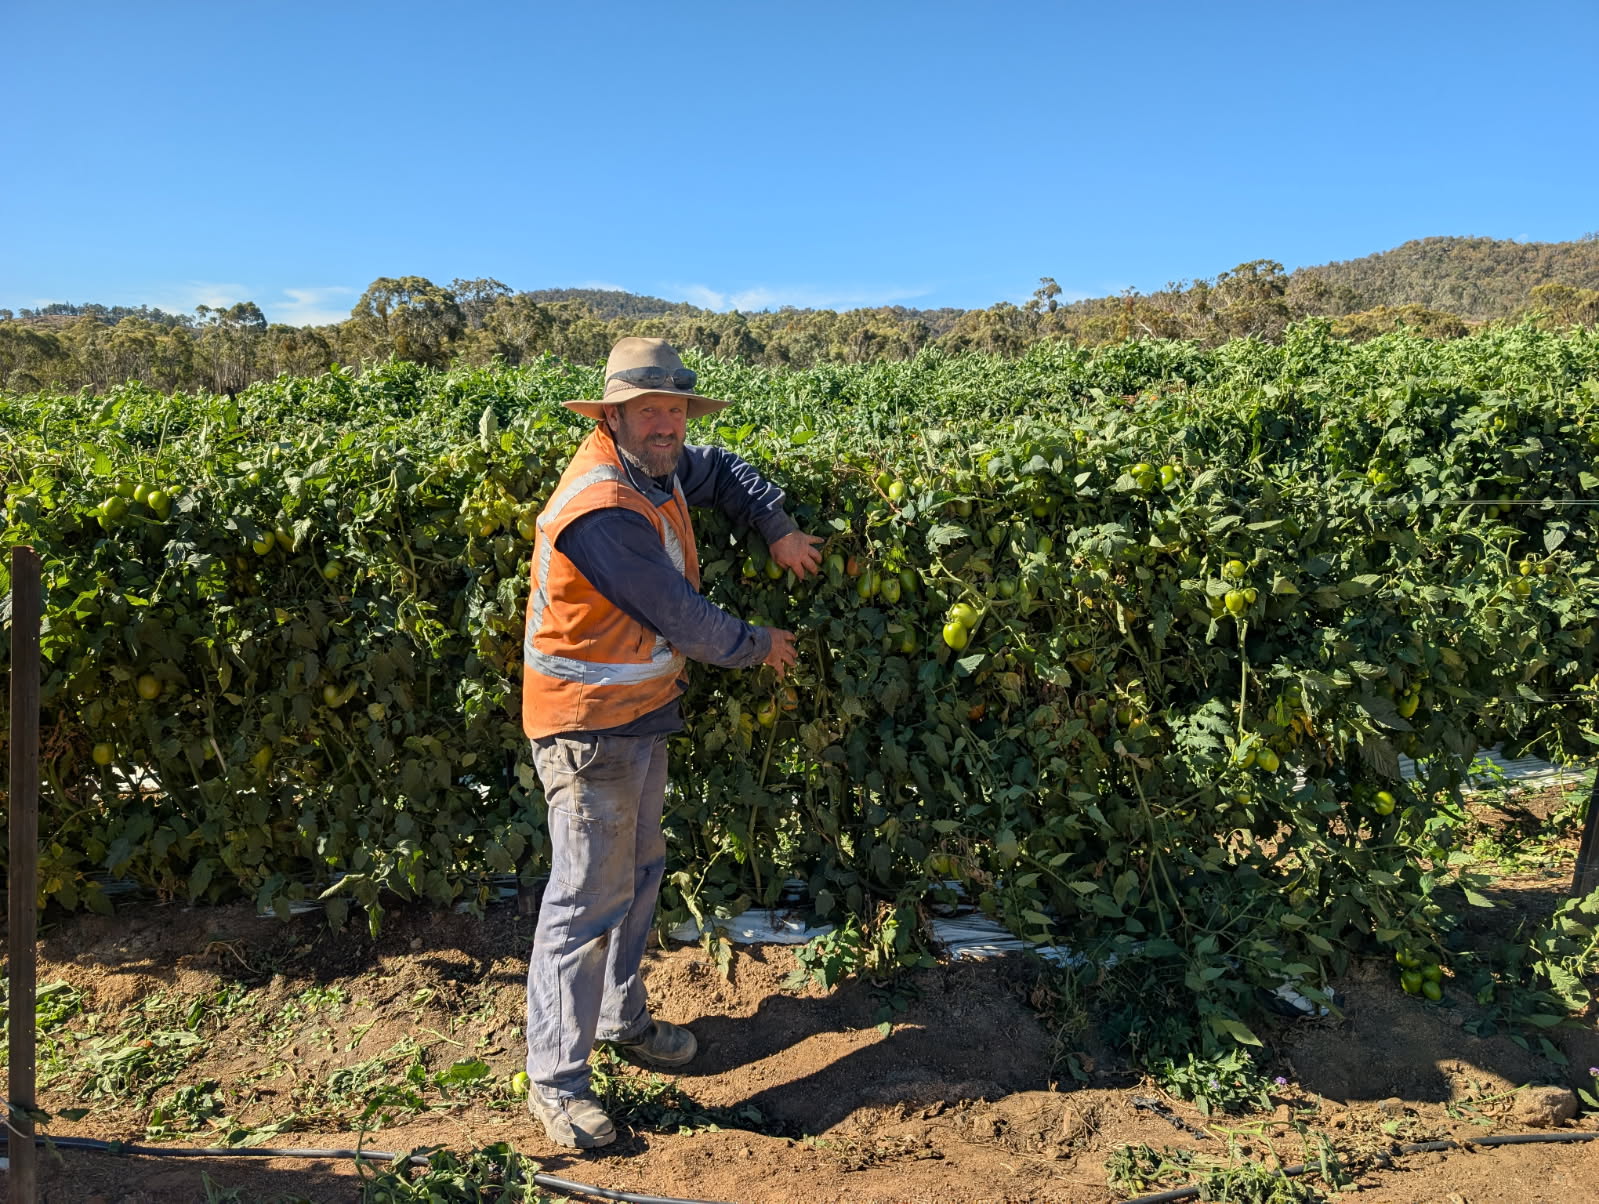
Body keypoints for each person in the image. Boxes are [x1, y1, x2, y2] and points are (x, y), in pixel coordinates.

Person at [520, 337, 823, 1148]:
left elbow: (723, 472)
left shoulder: (660, 468)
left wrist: (777, 527)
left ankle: (621, 1019)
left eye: (676, 410)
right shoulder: (602, 508)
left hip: (640, 718)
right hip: (586, 729)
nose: (666, 424)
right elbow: (681, 617)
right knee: (585, 900)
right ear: (611, 415)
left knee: (640, 873)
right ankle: (556, 1083)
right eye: (649, 410)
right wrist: (759, 644)